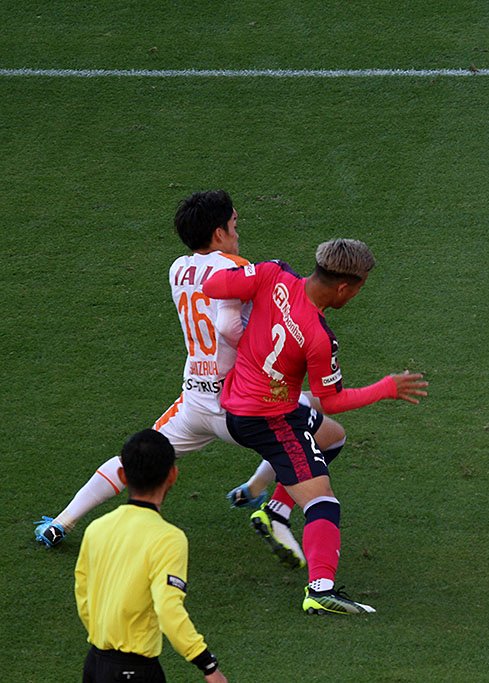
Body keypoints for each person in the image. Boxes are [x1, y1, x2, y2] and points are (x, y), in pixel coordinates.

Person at [34, 190, 340, 570]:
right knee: (325, 433)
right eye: (233, 225)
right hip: (241, 402)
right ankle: (265, 499)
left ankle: (61, 522)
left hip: (194, 400)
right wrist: (260, 350)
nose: (237, 233)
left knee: (137, 458)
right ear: (218, 233)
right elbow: (227, 326)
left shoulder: (177, 268)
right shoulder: (235, 266)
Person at [202, 238, 428, 615]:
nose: (356, 296)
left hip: (241, 401)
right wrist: (386, 388)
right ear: (343, 287)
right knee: (324, 503)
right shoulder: (319, 337)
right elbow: (333, 399)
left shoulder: (273, 273)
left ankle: (275, 511)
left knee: (331, 438)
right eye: (358, 289)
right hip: (269, 420)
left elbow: (213, 286)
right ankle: (320, 591)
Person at [75, 429, 227, 683]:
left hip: (95, 664)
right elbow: (168, 608)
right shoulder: (168, 538)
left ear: (122, 475)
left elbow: (83, 593)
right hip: (135, 670)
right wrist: (207, 664)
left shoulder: (96, 529)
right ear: (173, 475)